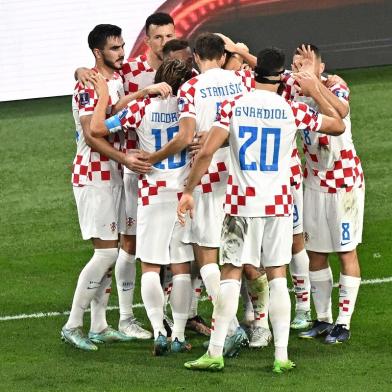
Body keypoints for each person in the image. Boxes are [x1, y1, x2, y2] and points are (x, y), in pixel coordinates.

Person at [177, 47, 346, 372]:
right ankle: (281, 356)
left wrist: (188, 191)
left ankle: (215, 352)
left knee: (230, 274)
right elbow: (338, 126)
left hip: (241, 205)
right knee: (278, 276)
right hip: (279, 205)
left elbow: (206, 152)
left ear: (252, 75)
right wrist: (318, 89)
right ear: (282, 76)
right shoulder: (291, 110)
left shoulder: (233, 106)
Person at [143, 32, 257, 357]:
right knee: (236, 256)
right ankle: (257, 323)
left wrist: (154, 158)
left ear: (195, 57)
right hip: (238, 176)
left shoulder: (192, 87)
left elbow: (186, 137)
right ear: (222, 56)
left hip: (205, 176)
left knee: (206, 255)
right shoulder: (241, 82)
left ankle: (232, 328)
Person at [89, 59, 194, 355]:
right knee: (181, 267)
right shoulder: (191, 108)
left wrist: (107, 98)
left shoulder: (140, 109)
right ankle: (178, 336)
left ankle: (159, 331)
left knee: (150, 265)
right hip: (183, 194)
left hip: (152, 194)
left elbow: (96, 129)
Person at [62, 24, 138, 351]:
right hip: (94, 176)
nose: (121, 53)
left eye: (122, 46)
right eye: (114, 48)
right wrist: (124, 156)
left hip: (114, 175)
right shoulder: (87, 87)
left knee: (113, 253)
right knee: (106, 252)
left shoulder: (116, 81)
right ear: (98, 52)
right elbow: (92, 136)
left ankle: (99, 325)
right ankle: (73, 324)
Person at [287, 45, 364, 344]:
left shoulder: (337, 88)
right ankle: (322, 319)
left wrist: (315, 87)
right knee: (316, 253)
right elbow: (266, 72)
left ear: (321, 67)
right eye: (295, 65)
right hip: (313, 183)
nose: (299, 70)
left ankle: (343, 323)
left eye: (306, 64)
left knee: (346, 251)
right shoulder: (292, 91)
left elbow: (339, 115)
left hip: (344, 185)